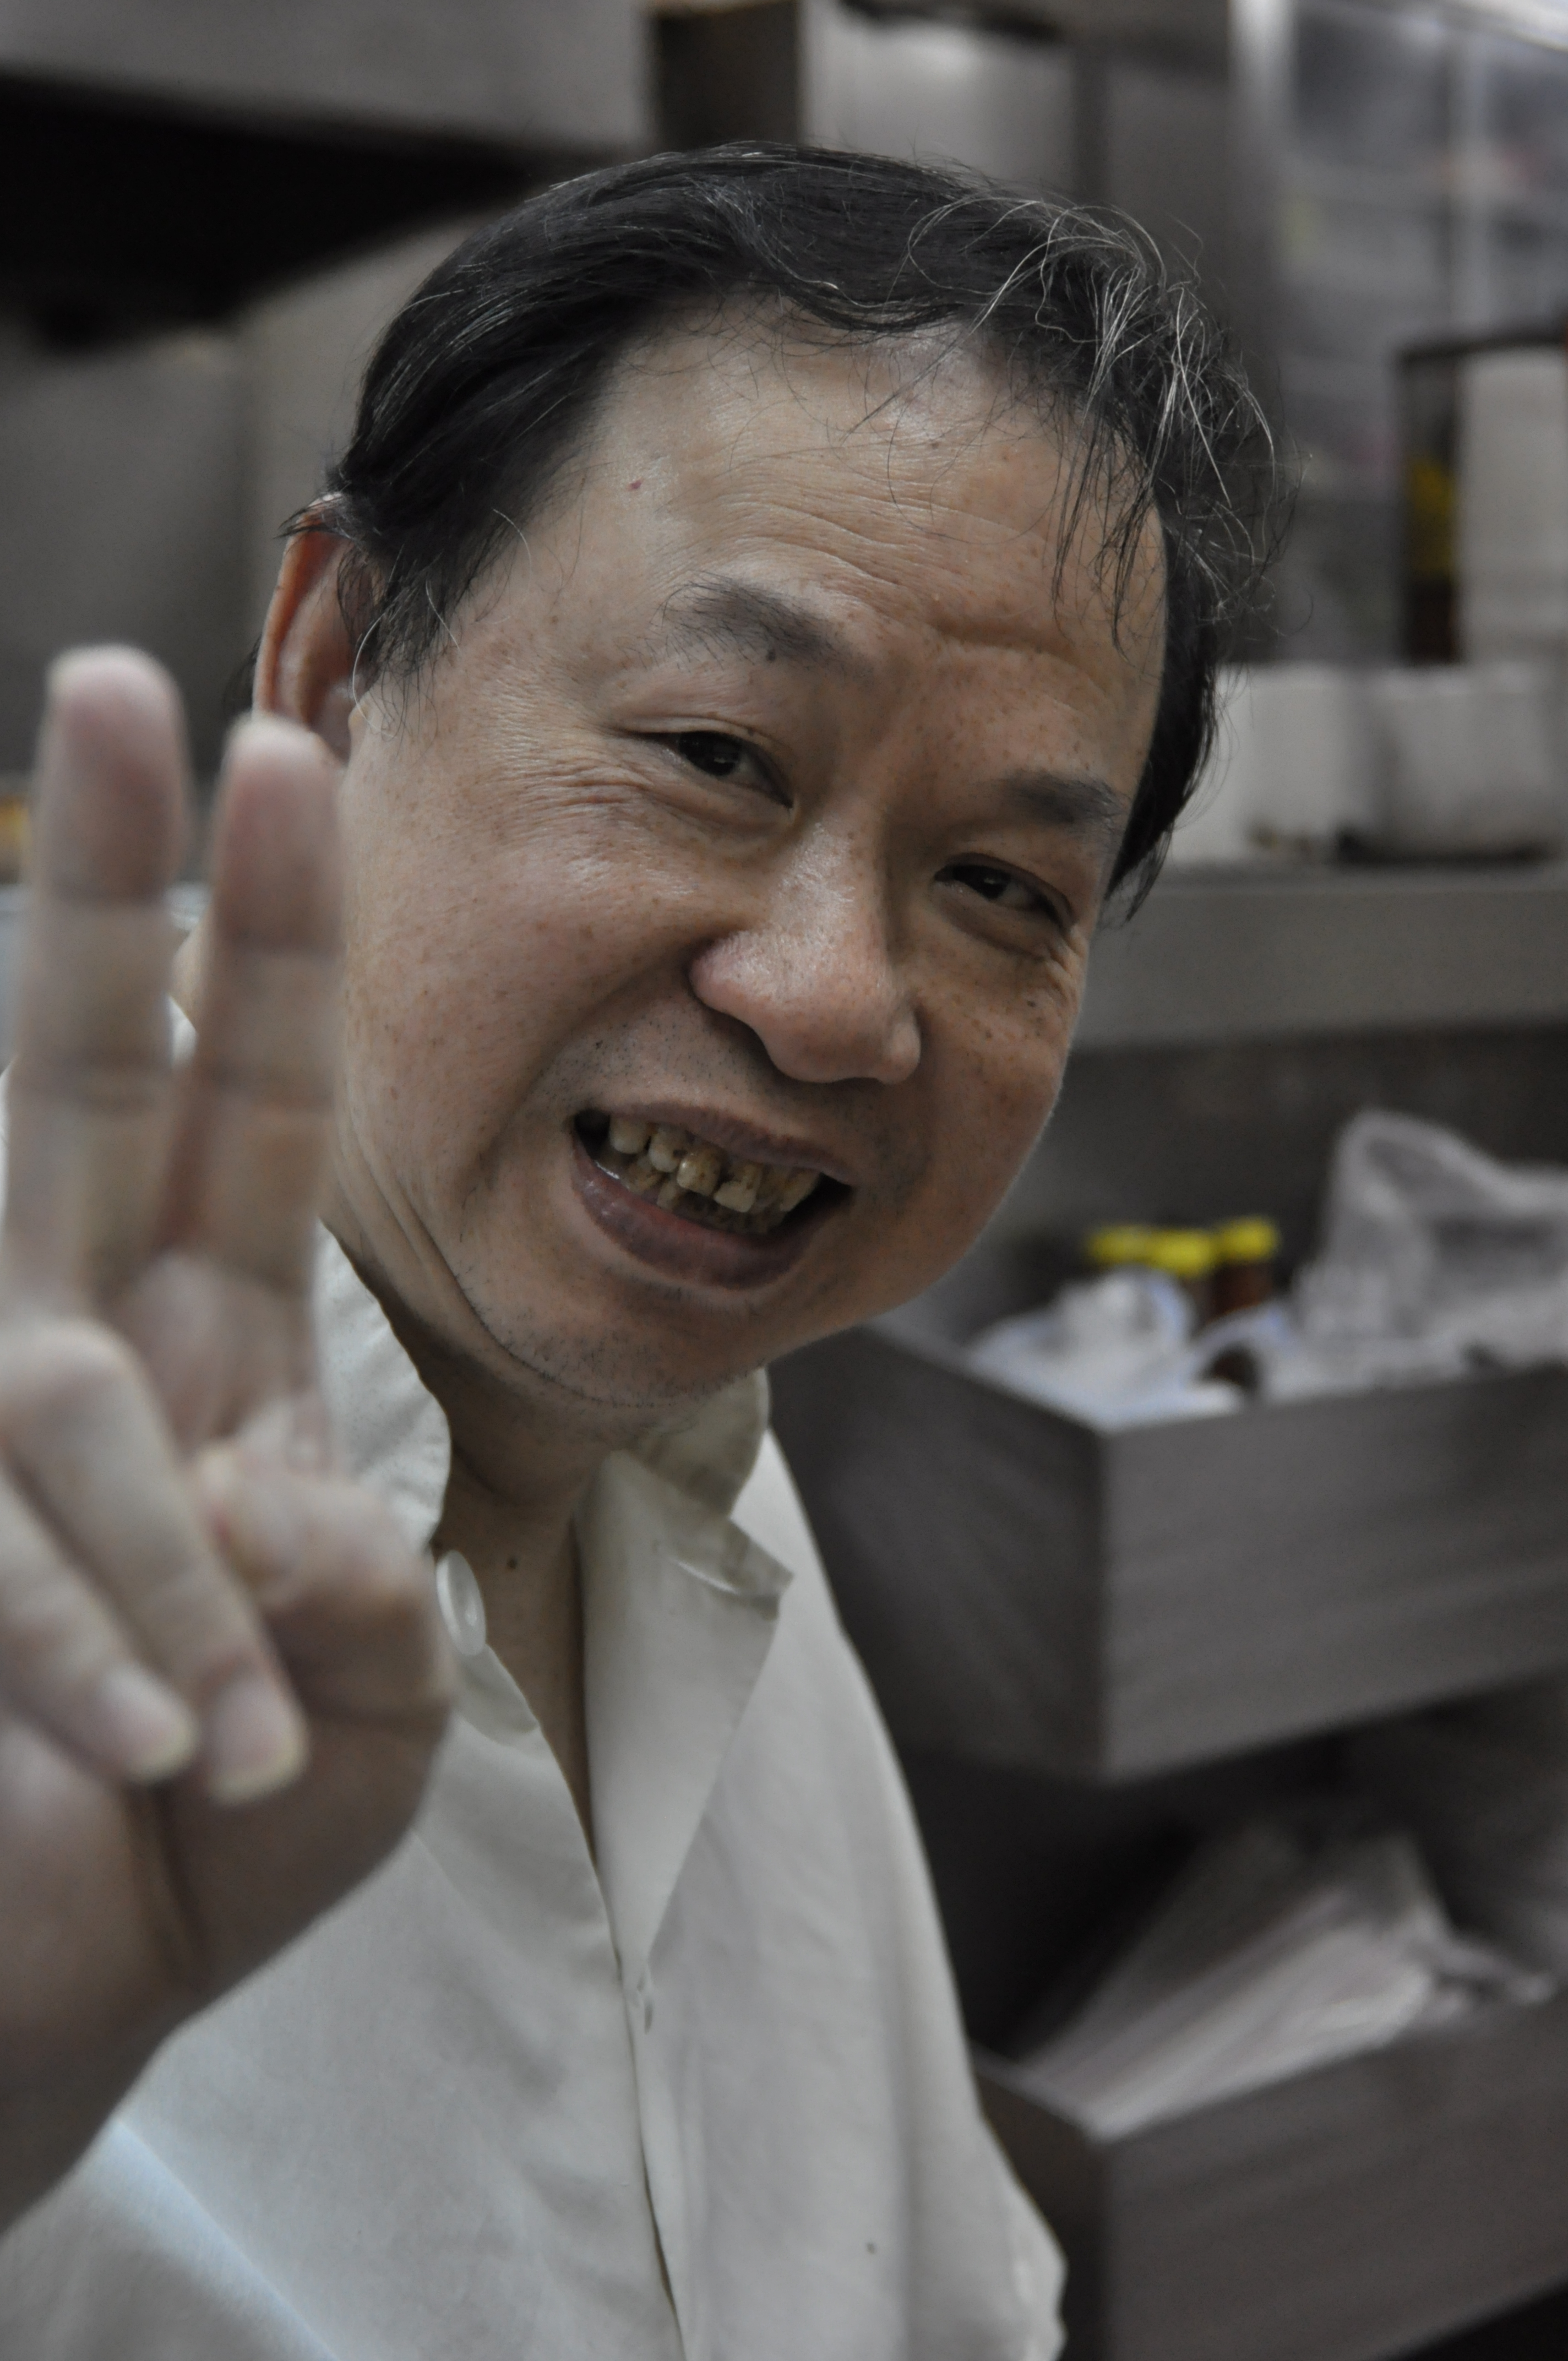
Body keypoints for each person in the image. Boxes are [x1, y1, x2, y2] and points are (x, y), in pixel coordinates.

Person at [0, 146, 1271, 2358]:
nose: (834, 998)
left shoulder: (678, 1446)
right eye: (715, 754)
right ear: (332, 669)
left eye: (1000, 887)